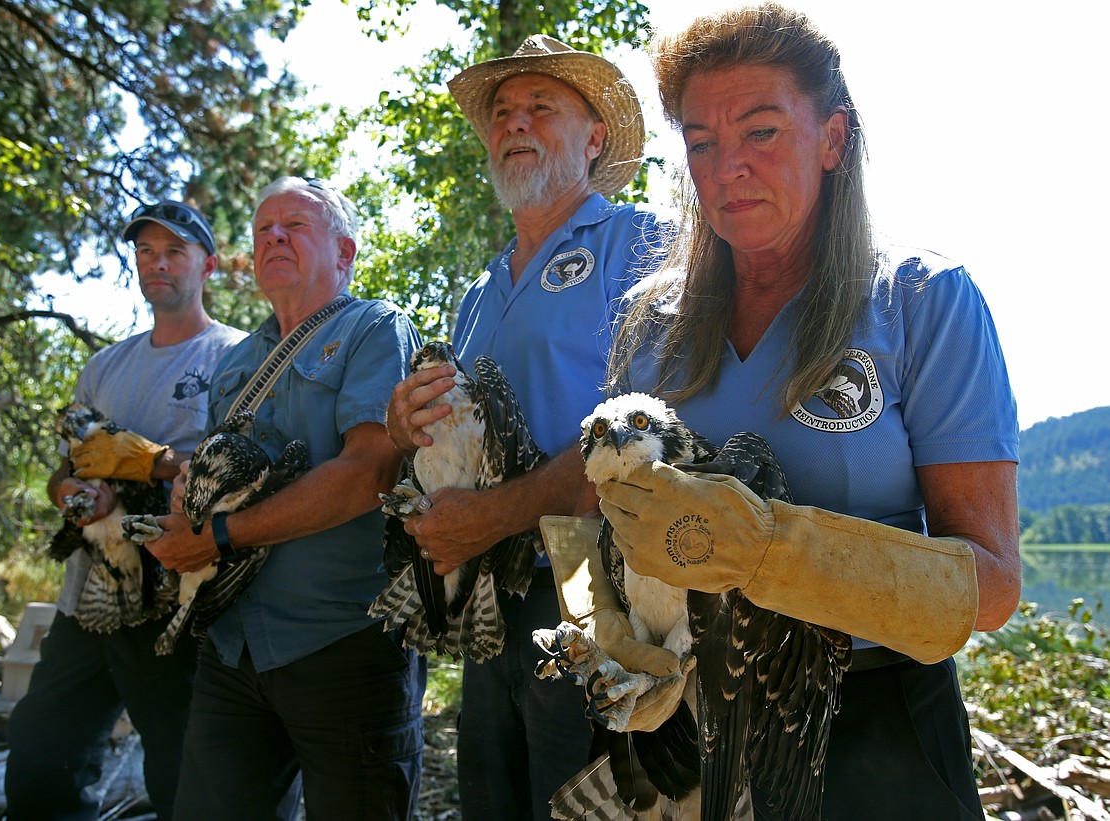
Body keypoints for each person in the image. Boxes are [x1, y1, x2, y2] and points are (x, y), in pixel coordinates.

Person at [574, 4, 1020, 819]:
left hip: (872, 734)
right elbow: (589, 525)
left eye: (762, 132)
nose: (725, 167)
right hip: (681, 726)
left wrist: (772, 552)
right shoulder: (648, 319)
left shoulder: (921, 300)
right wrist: (599, 639)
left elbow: (988, 588)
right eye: (700, 142)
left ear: (835, 137)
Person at [385, 35, 674, 820]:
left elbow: (645, 433)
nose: (516, 123)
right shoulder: (480, 290)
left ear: (595, 138)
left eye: (541, 106)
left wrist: (491, 513)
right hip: (493, 578)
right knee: (494, 788)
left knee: (582, 791)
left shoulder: (637, 242)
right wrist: (408, 426)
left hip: (593, 571)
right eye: (504, 112)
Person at [143, 177, 426, 820]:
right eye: (262, 227)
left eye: (295, 225)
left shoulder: (374, 329)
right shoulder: (238, 362)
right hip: (233, 647)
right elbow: (218, 483)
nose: (273, 235)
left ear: (345, 252)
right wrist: (190, 503)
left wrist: (218, 536)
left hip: (347, 644)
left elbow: (368, 473)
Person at [5, 201, 247, 820]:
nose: (156, 263)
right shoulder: (103, 367)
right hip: (89, 595)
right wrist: (79, 496)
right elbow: (67, 471)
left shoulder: (238, 358)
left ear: (208, 265)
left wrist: (145, 462)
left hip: (176, 598)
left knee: (184, 773)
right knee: (40, 756)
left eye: (174, 251)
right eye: (145, 252)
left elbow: (232, 477)